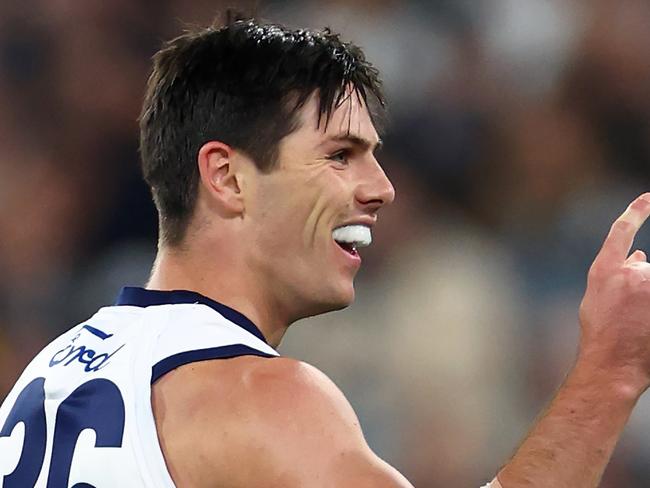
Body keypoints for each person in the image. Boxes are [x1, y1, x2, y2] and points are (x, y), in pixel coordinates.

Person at [2, 16, 650, 488]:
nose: (383, 189)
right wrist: (610, 371)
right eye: (340, 155)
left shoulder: (41, 383)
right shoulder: (261, 396)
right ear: (227, 178)